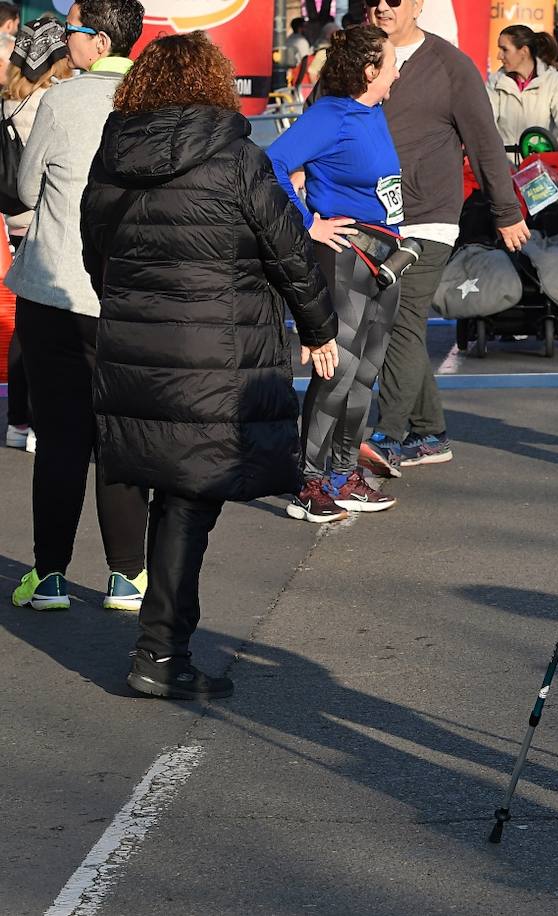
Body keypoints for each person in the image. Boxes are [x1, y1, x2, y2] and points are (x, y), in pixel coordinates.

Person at [82, 32, 336, 698]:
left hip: (135, 347)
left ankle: (162, 648)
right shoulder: (237, 158)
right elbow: (291, 253)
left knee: (173, 492)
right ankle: (161, 654)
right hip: (216, 355)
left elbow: (94, 250)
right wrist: (319, 327)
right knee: (191, 499)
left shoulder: (114, 155)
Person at [8, 0, 149, 613]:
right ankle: (127, 577)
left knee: (62, 435)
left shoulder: (62, 101)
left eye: (70, 30)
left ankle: (51, 577)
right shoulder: (156, 102)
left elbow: (23, 189)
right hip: (131, 292)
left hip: (56, 285)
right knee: (123, 434)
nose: (65, 41)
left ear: (96, 38)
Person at [360, 0, 529, 478]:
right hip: (371, 215)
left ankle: (387, 436)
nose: (382, 7)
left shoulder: (451, 65)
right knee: (389, 321)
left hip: (427, 217)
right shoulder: (357, 54)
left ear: (418, 5)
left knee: (403, 319)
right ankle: (429, 432)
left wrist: (506, 211)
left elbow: (484, 142)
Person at [268, 24, 404, 521]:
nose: (397, 71)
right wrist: (309, 222)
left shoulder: (372, 111)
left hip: (384, 256)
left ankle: (344, 475)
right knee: (338, 371)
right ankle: (309, 482)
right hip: (346, 255)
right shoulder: (330, 114)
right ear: (370, 71)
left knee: (365, 371)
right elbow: (273, 164)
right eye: (391, 63)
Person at [3, 16, 71, 455]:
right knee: (54, 329)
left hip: (14, 220)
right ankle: (42, 418)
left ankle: (17, 421)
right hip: (46, 220)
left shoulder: (8, 102)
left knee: (27, 326)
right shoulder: (51, 103)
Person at [487, 26, 558, 151]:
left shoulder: (553, 80)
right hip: (502, 163)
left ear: (524, 52)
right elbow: (485, 122)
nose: (499, 56)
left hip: (539, 162)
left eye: (504, 50)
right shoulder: (495, 82)